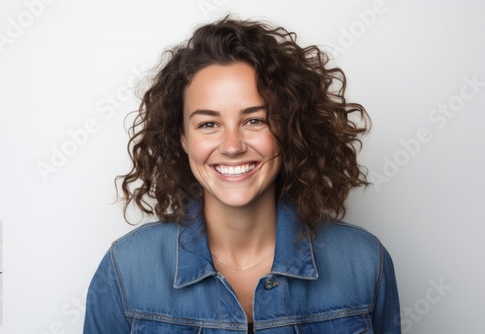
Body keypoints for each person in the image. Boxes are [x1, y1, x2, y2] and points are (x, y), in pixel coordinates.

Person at [84, 16, 400, 333]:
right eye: (208, 124)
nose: (232, 146)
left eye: (255, 121)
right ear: (183, 138)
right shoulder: (125, 272)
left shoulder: (365, 264)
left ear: (288, 130)